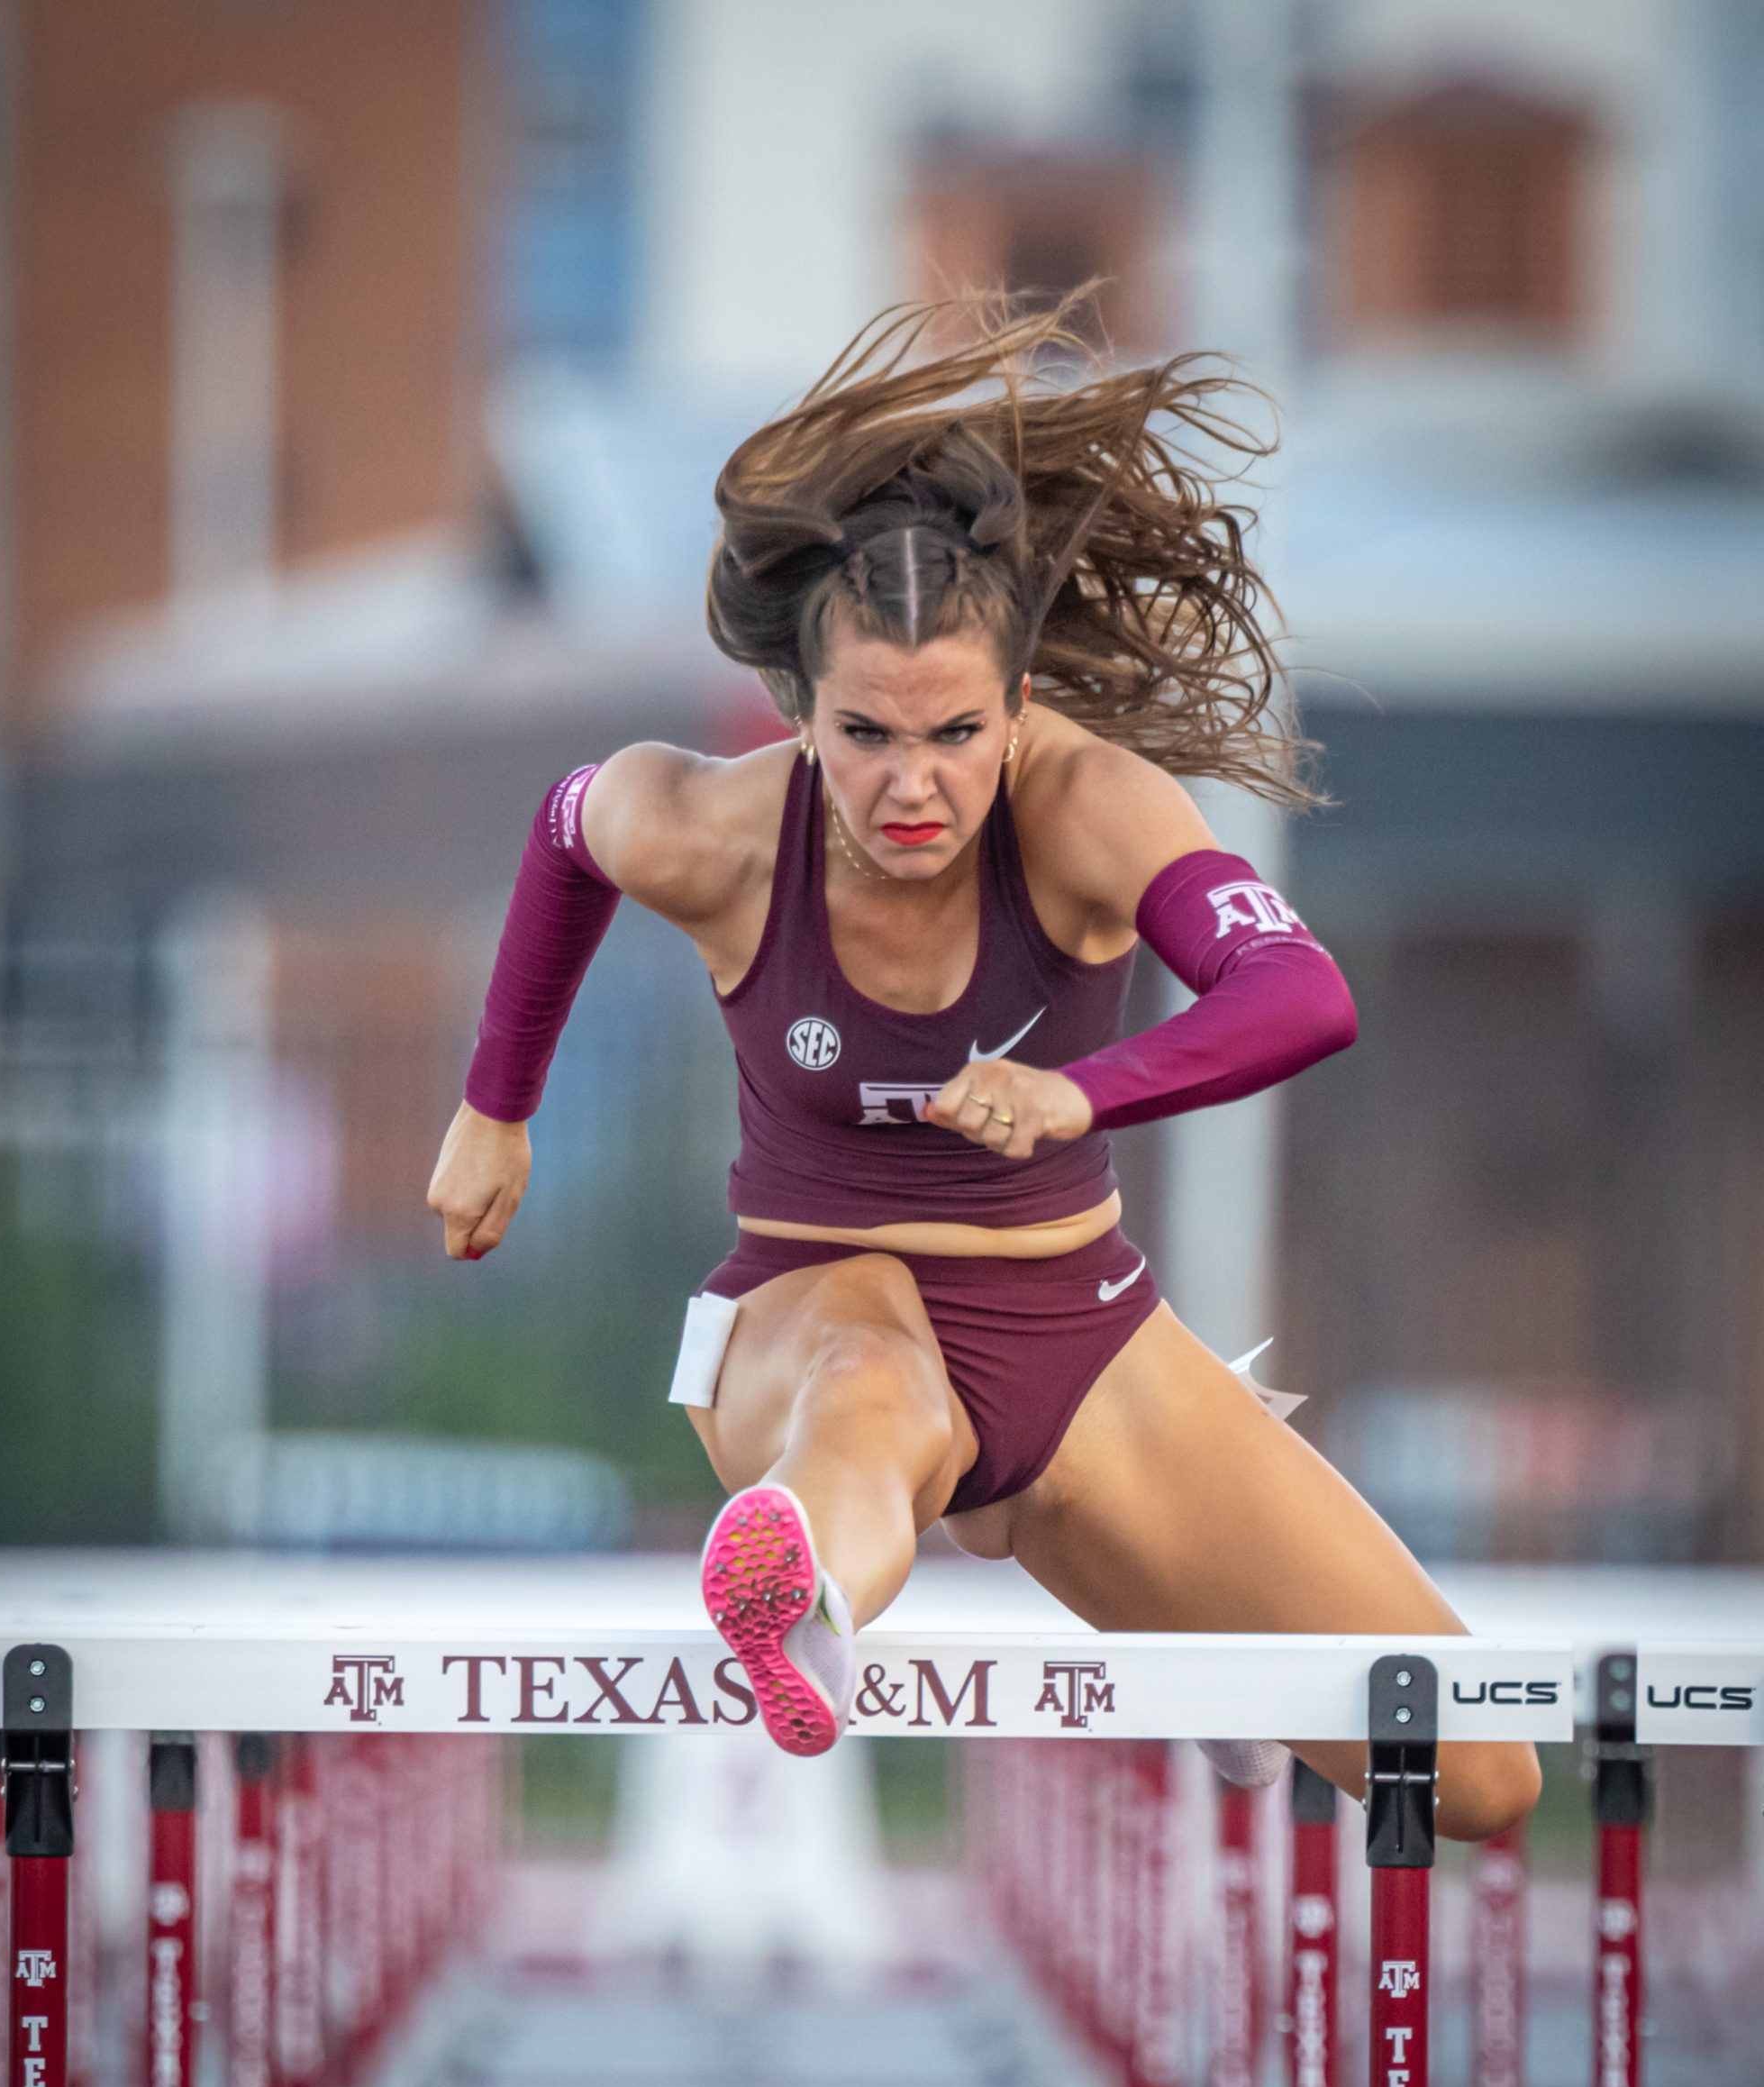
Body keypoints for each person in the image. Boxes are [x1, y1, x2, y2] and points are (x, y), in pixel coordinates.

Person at [428, 297, 1539, 1840]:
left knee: (1479, 1776)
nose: (912, 784)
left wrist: (1081, 1093)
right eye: (868, 735)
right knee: (877, 1383)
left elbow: (1300, 994)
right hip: (808, 1312)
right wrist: (497, 1108)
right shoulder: (720, 829)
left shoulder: (1086, 803)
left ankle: (1167, 1628)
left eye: (955, 733)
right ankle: (803, 1599)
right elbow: (569, 829)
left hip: (1073, 1328)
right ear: (797, 717)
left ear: (1020, 710)